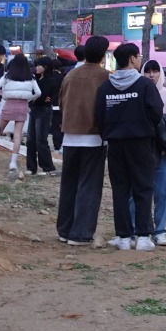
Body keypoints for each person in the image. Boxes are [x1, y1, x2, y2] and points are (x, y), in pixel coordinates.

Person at [96, 42, 163, 251]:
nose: (140, 60)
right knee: (143, 188)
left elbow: (99, 115)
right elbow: (157, 111)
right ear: (133, 59)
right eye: (139, 57)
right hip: (141, 143)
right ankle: (143, 237)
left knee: (120, 190)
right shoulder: (145, 86)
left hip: (115, 144)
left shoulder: (106, 87)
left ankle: (123, 237)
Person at [55, 35, 111, 245]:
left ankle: (64, 230)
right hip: (94, 137)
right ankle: (81, 233)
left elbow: (62, 103)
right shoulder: (105, 77)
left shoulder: (70, 75)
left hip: (70, 136)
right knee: (89, 185)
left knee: (69, 184)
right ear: (103, 55)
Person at [139, 60, 166, 245]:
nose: (151, 75)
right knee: (138, 192)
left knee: (163, 192)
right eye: (147, 71)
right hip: (142, 150)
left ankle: (160, 230)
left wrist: (163, 126)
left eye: (155, 71)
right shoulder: (138, 93)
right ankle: (139, 228)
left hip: (163, 150)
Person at [0, 52, 40, 175]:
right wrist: (30, 98)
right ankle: (13, 162)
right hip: (23, 105)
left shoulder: (8, 75)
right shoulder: (30, 76)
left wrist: (2, 94)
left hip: (9, 104)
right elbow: (38, 92)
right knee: (18, 134)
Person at [26, 53, 60, 176]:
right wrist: (37, 98)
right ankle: (31, 167)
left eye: (39, 66)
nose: (37, 68)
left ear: (45, 67)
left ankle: (48, 167)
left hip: (44, 111)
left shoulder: (50, 80)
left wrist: (38, 98)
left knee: (41, 140)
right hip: (34, 109)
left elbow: (44, 96)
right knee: (30, 140)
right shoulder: (35, 78)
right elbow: (36, 95)